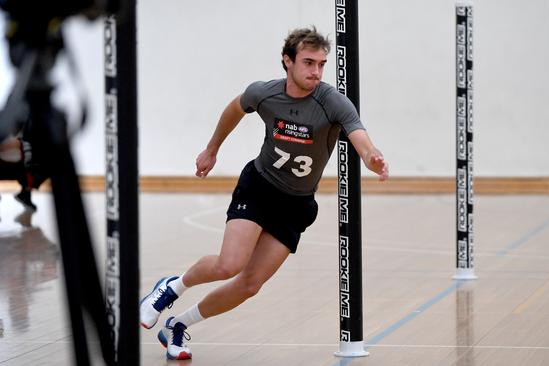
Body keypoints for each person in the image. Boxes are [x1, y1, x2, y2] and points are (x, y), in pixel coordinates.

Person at [140, 26, 389, 361]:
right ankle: (171, 288)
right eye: (308, 62)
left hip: (297, 204)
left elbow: (360, 137)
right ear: (287, 61)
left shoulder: (332, 102)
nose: (315, 71)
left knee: (249, 285)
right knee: (230, 264)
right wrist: (211, 150)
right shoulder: (265, 94)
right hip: (259, 188)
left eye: (321, 64)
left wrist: (373, 158)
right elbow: (234, 109)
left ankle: (178, 326)